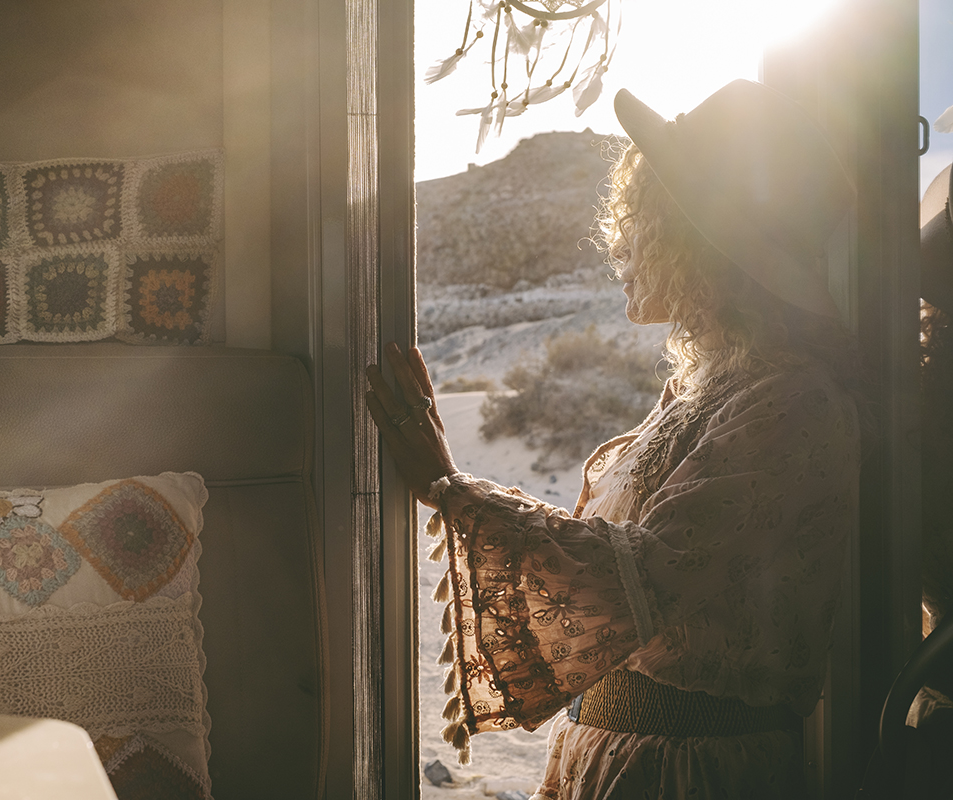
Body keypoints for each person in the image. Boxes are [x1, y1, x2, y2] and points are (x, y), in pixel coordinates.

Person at [367, 79, 862, 798]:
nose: (620, 241)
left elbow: (641, 577)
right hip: (622, 760)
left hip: (686, 777)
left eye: (645, 218)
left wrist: (451, 490)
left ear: (702, 239)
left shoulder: (792, 402)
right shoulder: (713, 389)